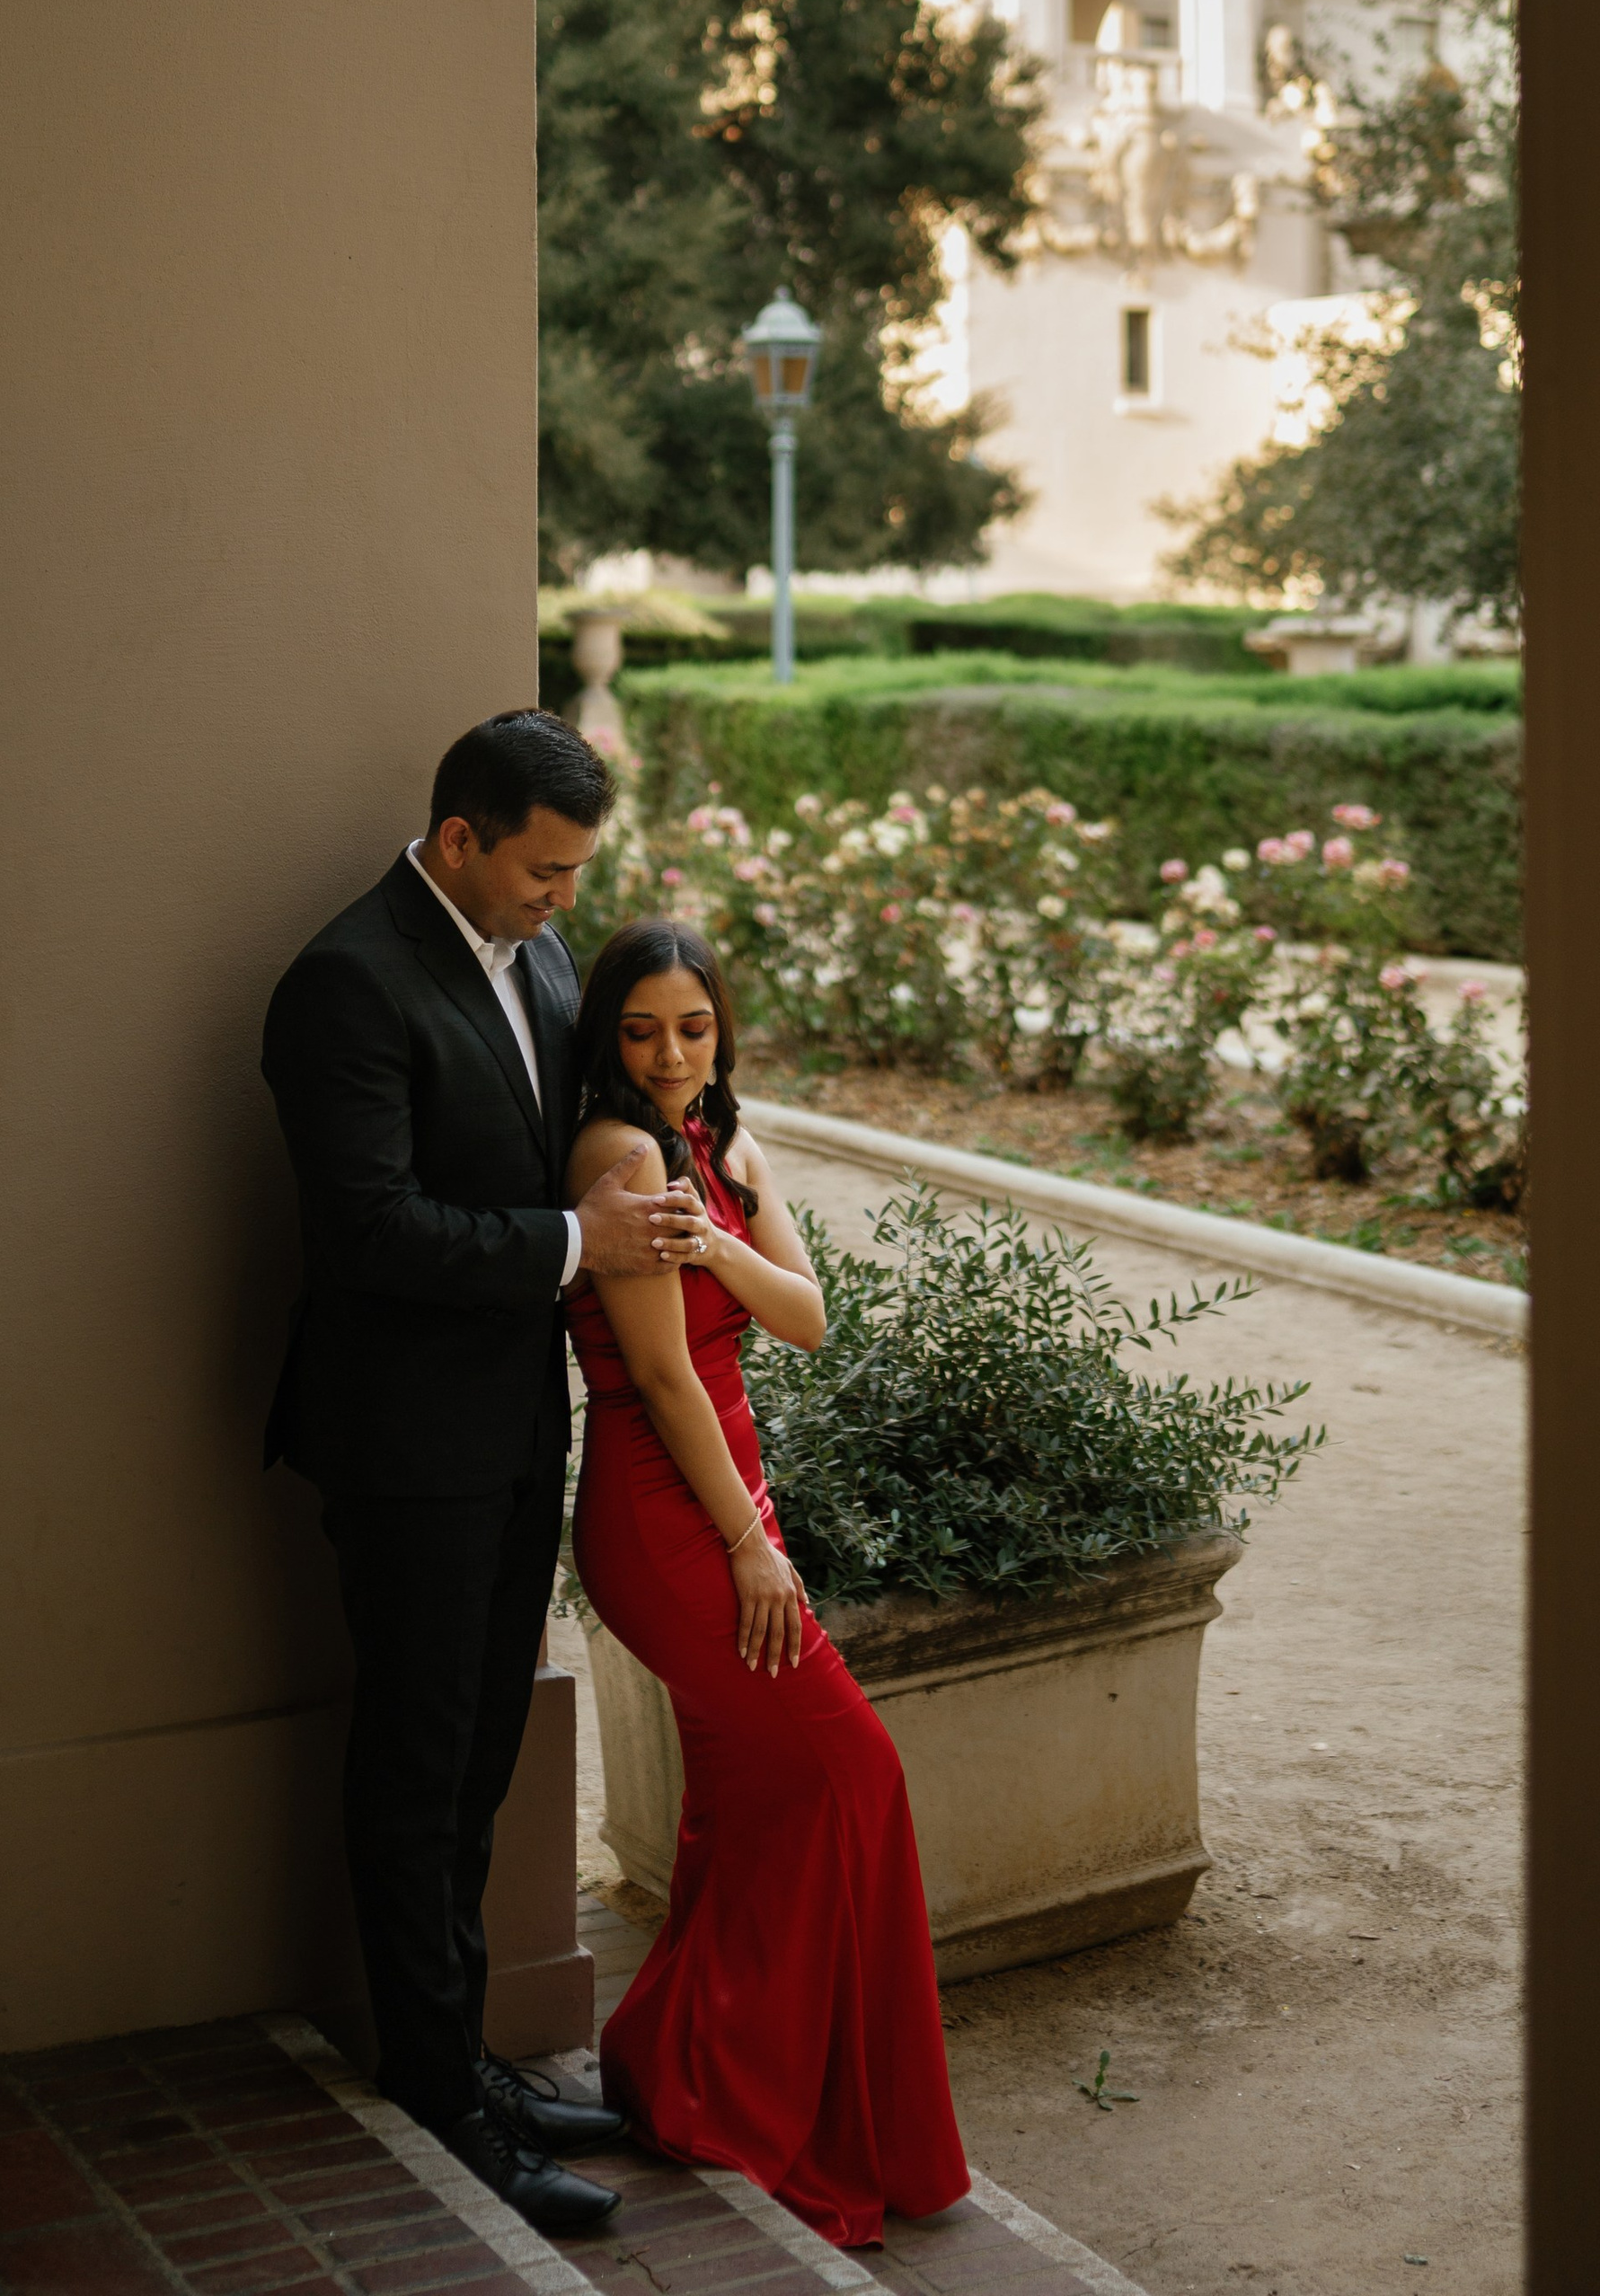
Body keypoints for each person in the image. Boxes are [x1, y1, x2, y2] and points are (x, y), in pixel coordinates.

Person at [262, 710, 698, 2239]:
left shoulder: (538, 955)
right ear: (461, 840)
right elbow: (369, 1232)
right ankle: (444, 2098)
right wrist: (584, 1245)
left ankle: (472, 2065)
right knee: (418, 1762)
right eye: (546, 870)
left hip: (516, 1430)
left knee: (478, 1765)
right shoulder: (345, 981)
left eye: (579, 874)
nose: (566, 898)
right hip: (403, 1446)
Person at [565, 918, 971, 2251]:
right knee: (850, 1774)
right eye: (640, 1029)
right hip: (670, 1512)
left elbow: (804, 1314)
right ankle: (733, 2094)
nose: (671, 1051)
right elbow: (668, 1377)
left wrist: (720, 1246)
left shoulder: (724, 1145)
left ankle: (680, 2071)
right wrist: (747, 1542)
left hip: (737, 1505)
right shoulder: (619, 1156)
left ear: (722, 1028)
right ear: (606, 1040)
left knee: (753, 1802)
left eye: (693, 1025)